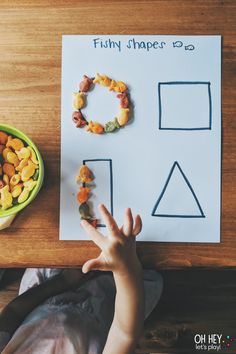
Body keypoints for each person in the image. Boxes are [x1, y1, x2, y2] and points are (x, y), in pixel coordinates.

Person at [0, 204, 163, 354]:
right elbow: (124, 334)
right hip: (104, 310)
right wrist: (125, 268)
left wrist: (63, 282)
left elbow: (13, 312)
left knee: (55, 231)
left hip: (44, 294)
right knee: (149, 270)